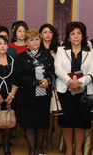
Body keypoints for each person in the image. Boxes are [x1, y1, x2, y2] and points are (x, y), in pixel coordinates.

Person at [55, 21, 93, 155]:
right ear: (68, 36)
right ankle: (69, 151)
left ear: (83, 35)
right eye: (73, 33)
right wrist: (70, 81)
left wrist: (79, 83)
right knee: (66, 122)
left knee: (81, 123)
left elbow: (92, 72)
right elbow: (58, 69)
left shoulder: (90, 51)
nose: (76, 36)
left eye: (79, 33)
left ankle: (78, 151)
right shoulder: (61, 50)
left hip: (83, 91)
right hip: (65, 91)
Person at [15, 29, 54, 155]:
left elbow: (53, 72)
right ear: (27, 42)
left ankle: (39, 148)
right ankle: (32, 149)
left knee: (42, 123)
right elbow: (19, 75)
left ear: (40, 40)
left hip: (44, 96)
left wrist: (48, 80)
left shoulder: (47, 54)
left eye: (37, 39)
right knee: (29, 124)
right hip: (27, 95)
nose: (35, 42)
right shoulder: (21, 57)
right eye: (31, 40)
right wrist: (36, 83)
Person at [39, 23, 59, 151]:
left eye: (50, 32)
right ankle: (40, 139)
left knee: (52, 111)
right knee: (41, 111)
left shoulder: (59, 49)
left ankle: (49, 138)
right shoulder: (37, 48)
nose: (47, 34)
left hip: (55, 82)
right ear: (40, 35)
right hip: (40, 83)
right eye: (45, 32)